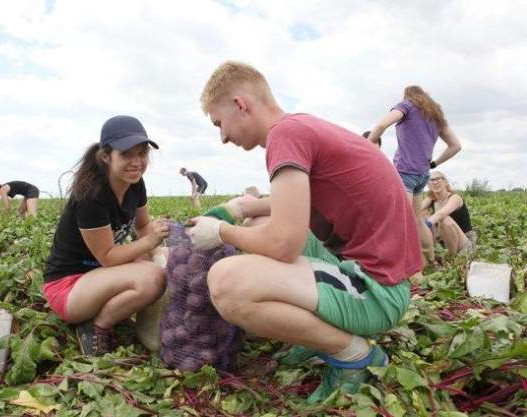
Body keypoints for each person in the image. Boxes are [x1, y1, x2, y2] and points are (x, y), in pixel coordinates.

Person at [188, 61, 422, 403]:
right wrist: (243, 207)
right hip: (381, 277)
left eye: (219, 123)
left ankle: (354, 355)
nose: (222, 137)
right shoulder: (300, 127)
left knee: (225, 282)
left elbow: (284, 244)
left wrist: (221, 231)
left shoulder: (284, 136)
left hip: (378, 293)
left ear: (240, 104)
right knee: (256, 225)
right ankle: (314, 337)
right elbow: (299, 201)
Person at [42, 115, 169, 356]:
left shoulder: (135, 184)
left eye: (142, 154)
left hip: (99, 278)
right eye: (126, 154)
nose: (137, 162)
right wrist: (150, 242)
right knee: (152, 277)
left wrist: (159, 250)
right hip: (69, 286)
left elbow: (143, 226)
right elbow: (108, 257)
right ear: (106, 157)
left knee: (163, 261)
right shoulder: (92, 196)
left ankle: (121, 314)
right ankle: (95, 326)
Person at [367, 86, 462, 262]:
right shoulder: (435, 116)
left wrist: (368, 143)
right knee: (417, 220)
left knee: (400, 222)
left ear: (408, 96)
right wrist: (434, 163)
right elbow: (455, 145)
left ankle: (407, 270)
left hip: (404, 173)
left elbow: (381, 124)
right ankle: (430, 261)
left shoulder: (406, 106)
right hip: (422, 174)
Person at [421, 171, 476, 256]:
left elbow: (441, 214)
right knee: (423, 214)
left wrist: (425, 225)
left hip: (464, 242)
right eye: (432, 180)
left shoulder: (455, 198)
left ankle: (451, 259)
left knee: (445, 220)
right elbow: (416, 211)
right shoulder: (431, 198)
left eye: (438, 179)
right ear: (428, 185)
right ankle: (434, 251)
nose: (435, 182)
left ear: (445, 182)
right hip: (444, 240)